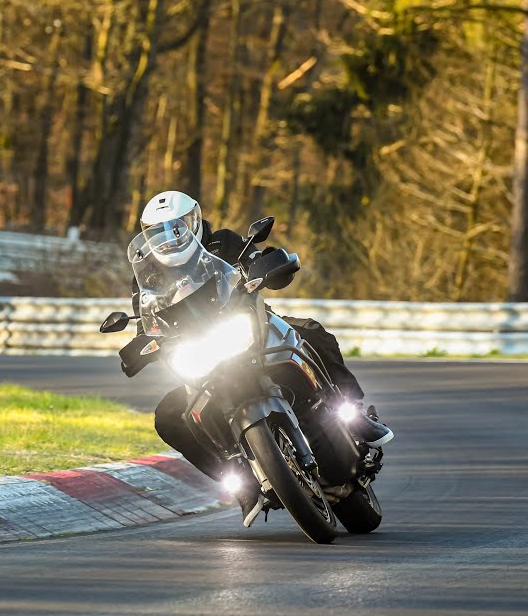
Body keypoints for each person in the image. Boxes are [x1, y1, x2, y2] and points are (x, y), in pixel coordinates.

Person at [129, 190, 391, 520]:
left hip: (250, 326)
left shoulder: (222, 242)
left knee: (313, 332)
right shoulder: (148, 274)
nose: (169, 238)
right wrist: (141, 346)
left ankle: (353, 410)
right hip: (198, 352)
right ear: (146, 234)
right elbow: (145, 322)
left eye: (176, 227)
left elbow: (255, 261)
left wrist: (268, 265)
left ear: (193, 221)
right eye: (158, 232)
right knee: (168, 416)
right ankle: (239, 481)